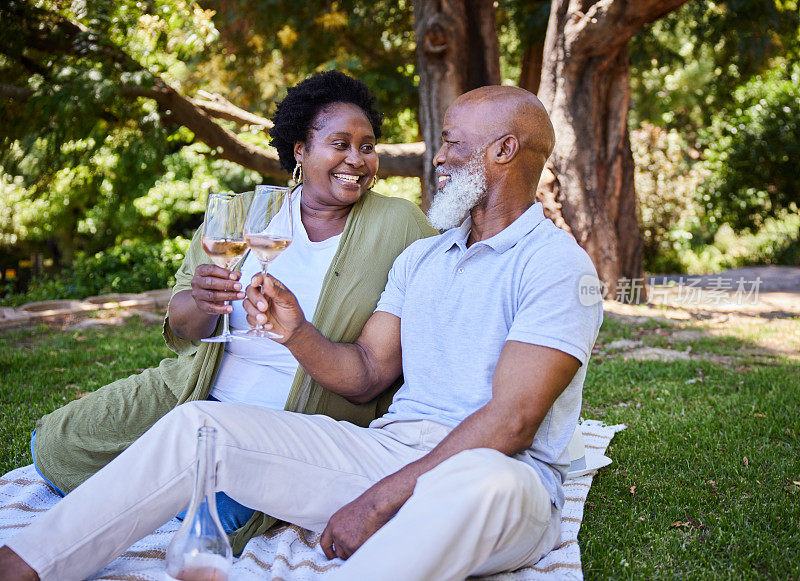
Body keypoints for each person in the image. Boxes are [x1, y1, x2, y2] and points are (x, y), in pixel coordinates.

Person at [0, 85, 603, 581]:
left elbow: (512, 421)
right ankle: (25, 563)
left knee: (484, 480)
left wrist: (376, 502)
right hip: (391, 454)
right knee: (199, 427)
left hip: (504, 481)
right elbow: (367, 373)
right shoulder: (425, 258)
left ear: (503, 150)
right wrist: (296, 332)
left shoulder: (555, 265)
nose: (438, 157)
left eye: (451, 142)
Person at [27, 70, 436, 547]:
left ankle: (166, 490)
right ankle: (160, 486)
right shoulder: (244, 212)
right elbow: (183, 324)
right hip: (196, 391)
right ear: (300, 150)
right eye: (339, 144)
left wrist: (297, 331)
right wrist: (202, 301)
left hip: (293, 420)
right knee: (52, 445)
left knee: (214, 505)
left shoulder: (398, 222)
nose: (357, 160)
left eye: (367, 147)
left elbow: (389, 358)